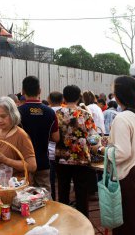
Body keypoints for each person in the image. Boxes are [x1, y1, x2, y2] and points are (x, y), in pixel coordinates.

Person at [96, 76, 135, 235]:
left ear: (119, 95)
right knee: (134, 219)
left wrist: (100, 150)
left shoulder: (122, 118)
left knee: (126, 225)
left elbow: (122, 153)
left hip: (129, 175)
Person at [56, 85, 98, 217]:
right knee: (81, 192)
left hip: (62, 157)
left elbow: (54, 135)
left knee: (63, 190)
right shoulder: (85, 114)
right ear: (79, 97)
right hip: (81, 157)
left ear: (64, 97)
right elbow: (93, 136)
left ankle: (63, 219)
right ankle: (83, 221)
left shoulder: (57, 114)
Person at [18, 76, 59, 193]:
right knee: (45, 198)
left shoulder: (17, 112)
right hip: (43, 162)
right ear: (39, 91)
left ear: (23, 91)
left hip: (23, 163)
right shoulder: (50, 112)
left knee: (23, 198)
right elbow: (56, 138)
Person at [0, 97, 37, 176]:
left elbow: (32, 166)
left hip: (15, 184)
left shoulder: (21, 135)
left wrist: (5, 160)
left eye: (3, 116)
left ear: (13, 115)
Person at [47, 91, 63, 200]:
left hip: (50, 151)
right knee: (63, 182)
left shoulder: (48, 111)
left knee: (51, 181)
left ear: (49, 99)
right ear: (62, 100)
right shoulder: (66, 111)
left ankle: (53, 201)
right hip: (65, 153)